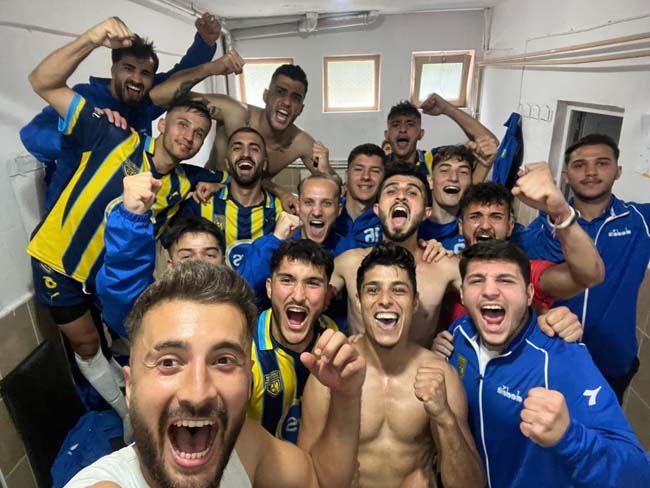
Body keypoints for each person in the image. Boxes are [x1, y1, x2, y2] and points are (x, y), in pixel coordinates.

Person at [26, 17, 235, 433]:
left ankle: (142, 406)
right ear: (162, 124)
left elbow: (235, 173)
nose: (189, 137)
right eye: (182, 124)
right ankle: (124, 412)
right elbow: (42, 82)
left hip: (107, 280)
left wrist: (225, 185)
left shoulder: (184, 182)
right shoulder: (110, 134)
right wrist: (91, 37)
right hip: (57, 263)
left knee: (140, 340)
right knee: (87, 344)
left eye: (199, 134)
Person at [65, 261, 366, 488]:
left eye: (223, 361)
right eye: (169, 362)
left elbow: (319, 480)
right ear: (130, 388)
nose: (198, 393)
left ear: (249, 381)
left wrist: (346, 395)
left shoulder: (243, 446)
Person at [448, 240, 650, 488]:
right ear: (462, 294)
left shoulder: (562, 360)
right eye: (477, 280)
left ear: (529, 294)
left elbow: (639, 476)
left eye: (506, 280)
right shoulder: (459, 333)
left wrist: (570, 438)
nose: (490, 291)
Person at [299, 242, 485, 487]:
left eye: (398, 290)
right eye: (373, 290)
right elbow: (305, 476)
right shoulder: (331, 375)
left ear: (415, 302)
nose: (385, 300)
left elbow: (471, 485)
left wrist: (444, 419)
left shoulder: (441, 376)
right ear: (358, 301)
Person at [21, 13, 223, 210]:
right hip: (70, 214)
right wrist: (88, 132)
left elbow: (179, 76)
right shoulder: (87, 97)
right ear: (114, 69)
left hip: (122, 216)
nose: (137, 79)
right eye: (128, 68)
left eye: (145, 73)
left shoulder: (144, 100)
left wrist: (204, 43)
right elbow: (31, 137)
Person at [520, 134, 650, 403]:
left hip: (612, 359)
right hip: (552, 353)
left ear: (618, 171)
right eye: (579, 165)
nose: (591, 172)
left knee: (601, 427)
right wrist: (555, 212)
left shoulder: (639, 221)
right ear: (566, 176)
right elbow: (535, 262)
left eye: (602, 163)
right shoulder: (542, 226)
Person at [148, 62, 339, 212]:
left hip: (250, 211)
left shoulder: (299, 142)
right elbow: (158, 96)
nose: (287, 102)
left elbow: (337, 185)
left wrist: (324, 171)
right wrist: (210, 68)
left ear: (301, 109)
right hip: (205, 200)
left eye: (295, 98)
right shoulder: (235, 113)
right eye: (280, 92)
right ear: (266, 96)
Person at [331, 161, 462, 347]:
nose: (401, 196)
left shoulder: (444, 266)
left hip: (419, 365)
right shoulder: (349, 262)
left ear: (427, 212)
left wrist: (454, 339)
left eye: (412, 193)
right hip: (360, 364)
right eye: (391, 191)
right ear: (376, 209)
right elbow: (308, 298)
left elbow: (487, 296)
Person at [96, 171, 226, 338]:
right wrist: (132, 219)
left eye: (210, 255)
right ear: (171, 265)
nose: (199, 262)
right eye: (187, 256)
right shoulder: (156, 313)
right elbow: (122, 291)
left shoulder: (239, 305)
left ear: (223, 261)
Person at [250, 240, 338, 443]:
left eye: (312, 283)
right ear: (269, 288)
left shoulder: (331, 335)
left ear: (327, 294)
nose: (298, 296)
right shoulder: (244, 345)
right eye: (287, 280)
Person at [175, 126, 283, 270]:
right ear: (226, 163)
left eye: (254, 149)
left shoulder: (281, 211)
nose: (245, 154)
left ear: (264, 163)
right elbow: (175, 249)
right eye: (237, 148)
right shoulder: (201, 202)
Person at [385, 96, 498, 182]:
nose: (403, 129)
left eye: (410, 124)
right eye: (395, 125)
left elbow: (490, 143)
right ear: (387, 135)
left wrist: (447, 109)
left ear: (421, 134)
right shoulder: (379, 164)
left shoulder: (435, 159)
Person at [418, 144, 477, 254]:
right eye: (445, 170)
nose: (454, 178)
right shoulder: (413, 228)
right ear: (430, 181)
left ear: (471, 183)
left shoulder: (477, 228)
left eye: (463, 172)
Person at [334, 143, 385, 250]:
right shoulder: (329, 212)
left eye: (375, 171)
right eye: (358, 169)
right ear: (347, 175)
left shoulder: (390, 220)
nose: (366, 177)